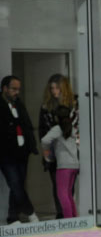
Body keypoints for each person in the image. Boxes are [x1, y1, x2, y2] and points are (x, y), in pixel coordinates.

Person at [0, 75, 39, 225]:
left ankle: (13, 217)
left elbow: (27, 126)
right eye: (13, 89)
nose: (17, 92)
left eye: (18, 89)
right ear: (5, 89)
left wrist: (31, 146)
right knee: (15, 183)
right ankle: (30, 212)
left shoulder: (19, 105)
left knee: (17, 185)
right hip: (6, 154)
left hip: (22, 153)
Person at [39, 74, 78, 219]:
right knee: (60, 189)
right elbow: (43, 133)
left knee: (65, 191)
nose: (55, 91)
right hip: (57, 154)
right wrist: (47, 153)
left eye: (57, 88)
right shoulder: (46, 107)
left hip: (68, 155)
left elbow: (46, 138)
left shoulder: (73, 105)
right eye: (52, 88)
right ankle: (64, 216)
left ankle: (67, 218)